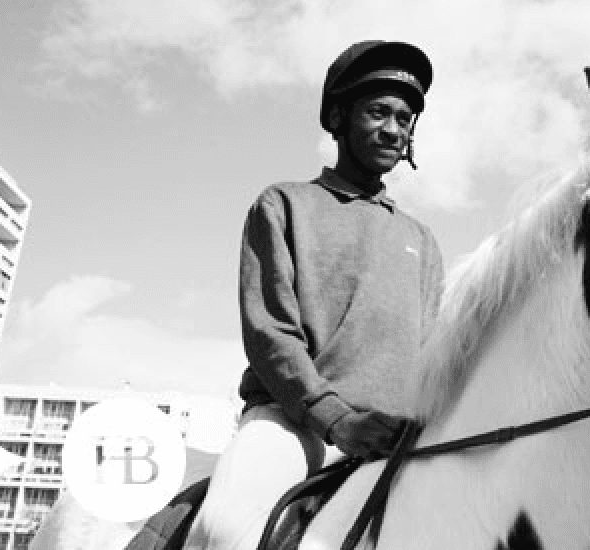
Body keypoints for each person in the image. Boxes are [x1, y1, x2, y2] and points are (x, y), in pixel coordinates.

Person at [185, 40, 444, 550]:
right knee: (224, 531)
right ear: (337, 116)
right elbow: (270, 334)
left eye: (405, 117)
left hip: (394, 439)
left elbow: (433, 356)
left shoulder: (423, 239)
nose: (394, 129)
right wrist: (338, 420)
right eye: (378, 112)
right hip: (292, 426)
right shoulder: (283, 204)